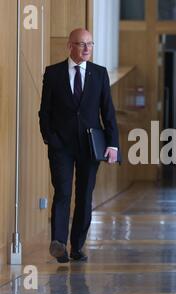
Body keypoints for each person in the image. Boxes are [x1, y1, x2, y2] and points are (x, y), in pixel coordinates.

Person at [39, 28, 119, 263]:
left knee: (84, 195)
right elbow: (45, 112)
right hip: (61, 146)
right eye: (81, 44)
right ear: (69, 46)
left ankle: (77, 246)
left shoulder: (100, 74)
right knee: (62, 192)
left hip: (90, 146)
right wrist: (50, 138)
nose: (86, 48)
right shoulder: (53, 73)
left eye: (90, 44)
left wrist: (113, 144)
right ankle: (59, 243)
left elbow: (108, 112)